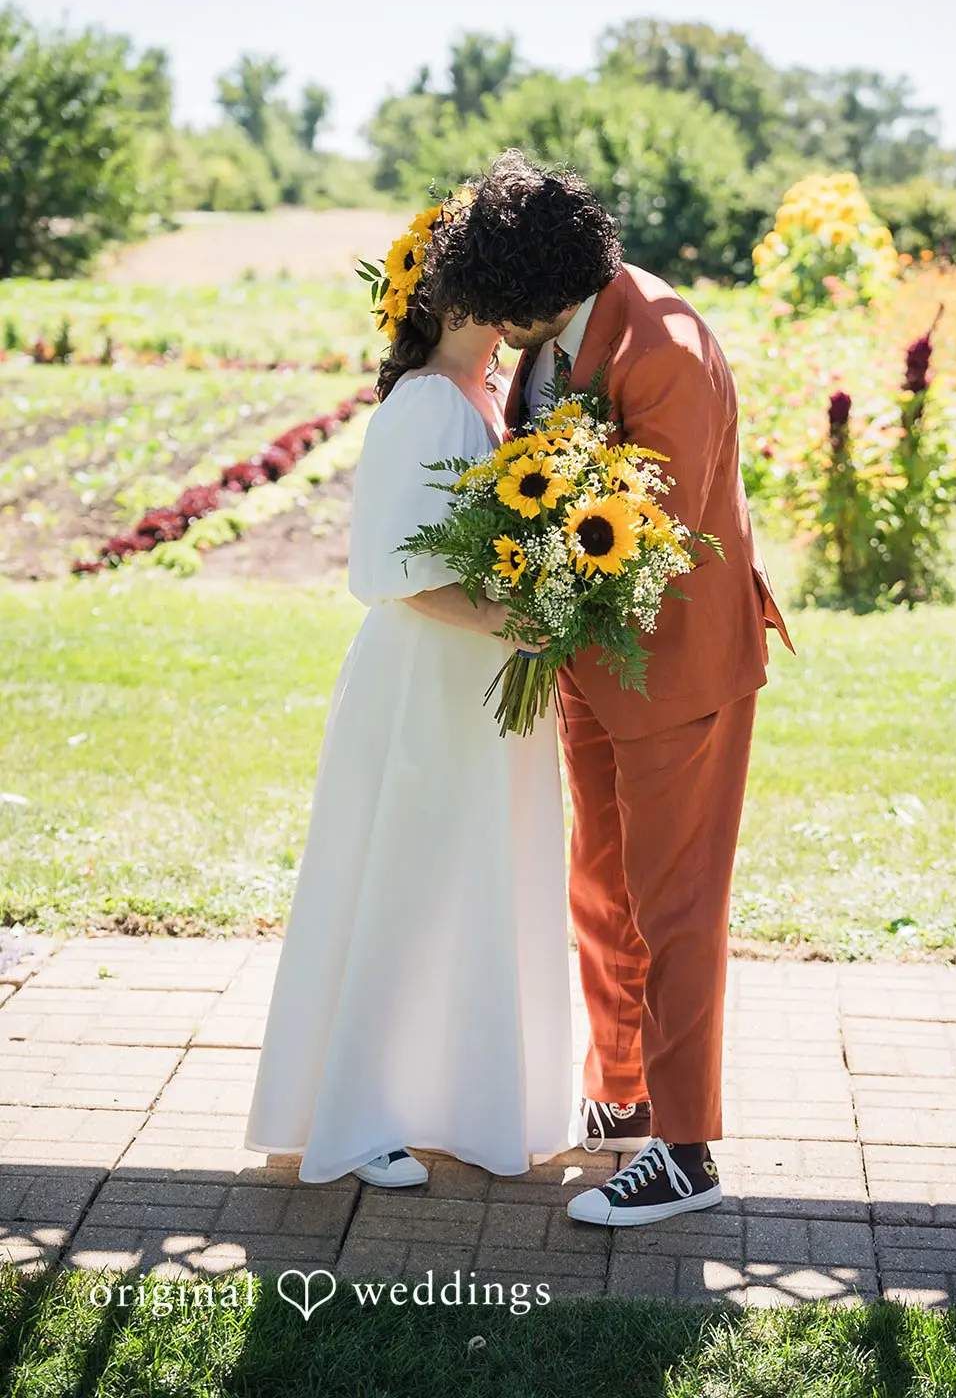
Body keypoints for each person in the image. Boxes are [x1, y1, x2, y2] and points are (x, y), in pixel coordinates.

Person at [423, 151, 793, 1227]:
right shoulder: (553, 336)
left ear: (542, 287)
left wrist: (529, 590)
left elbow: (653, 543)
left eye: (499, 301)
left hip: (676, 666)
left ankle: (685, 1151)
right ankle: (622, 1094)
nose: (492, 323)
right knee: (602, 891)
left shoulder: (664, 343)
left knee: (674, 906)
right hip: (589, 660)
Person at [244, 198, 577, 1185]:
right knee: (401, 885)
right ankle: (358, 1115)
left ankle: (448, 1097)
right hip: (423, 690)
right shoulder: (430, 402)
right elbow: (397, 570)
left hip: (472, 694)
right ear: (476, 291)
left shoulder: (485, 399)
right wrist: (524, 622)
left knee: (460, 887)